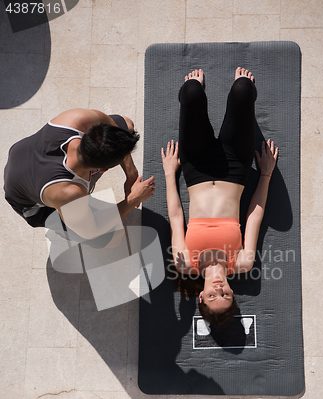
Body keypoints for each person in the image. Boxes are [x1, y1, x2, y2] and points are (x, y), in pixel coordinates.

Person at [161, 68, 278, 328]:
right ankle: (242, 94)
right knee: (243, 89)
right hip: (236, 167)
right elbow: (254, 216)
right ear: (232, 293)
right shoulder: (243, 263)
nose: (219, 289)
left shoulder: (184, 265)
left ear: (200, 297)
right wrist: (266, 174)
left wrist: (171, 174)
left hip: (196, 168)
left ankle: (193, 92)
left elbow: (176, 217)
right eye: (225, 295)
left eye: (212, 296)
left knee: (191, 93)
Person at [4, 109, 155, 243]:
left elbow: (117, 129)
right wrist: (133, 198)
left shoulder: (75, 119)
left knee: (126, 125)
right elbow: (91, 231)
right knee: (111, 238)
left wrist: (131, 174)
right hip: (29, 203)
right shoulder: (68, 191)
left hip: (25, 159)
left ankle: (73, 216)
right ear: (103, 169)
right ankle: (63, 230)